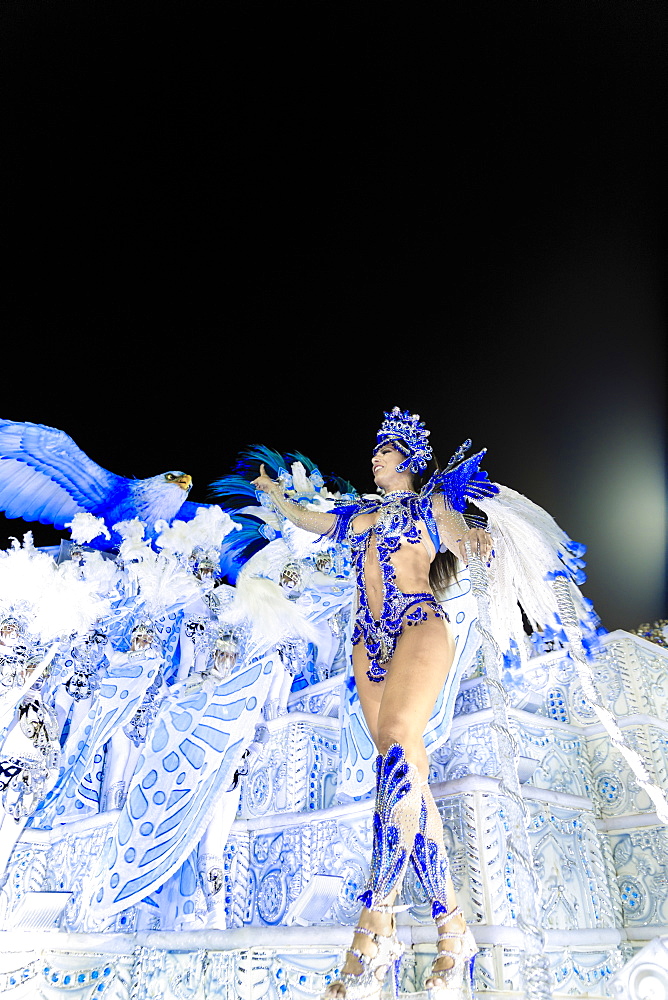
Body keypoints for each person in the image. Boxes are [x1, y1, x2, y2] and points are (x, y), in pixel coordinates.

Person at [252, 406, 495, 1000]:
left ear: (408, 460)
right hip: (368, 645)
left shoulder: (429, 503)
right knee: (402, 770)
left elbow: (463, 539)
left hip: (418, 623)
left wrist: (476, 541)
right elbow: (311, 520)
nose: (373, 459)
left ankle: (375, 923)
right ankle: (452, 928)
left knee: (395, 756)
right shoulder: (361, 515)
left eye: (382, 452)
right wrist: (275, 496)